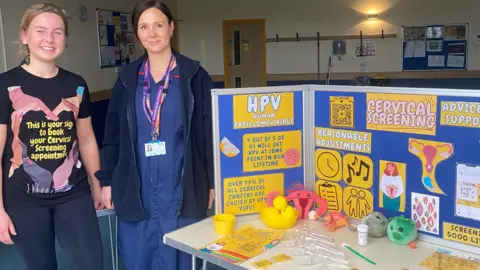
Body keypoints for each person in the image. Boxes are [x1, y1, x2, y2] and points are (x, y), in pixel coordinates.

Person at [95, 1, 215, 269]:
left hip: (182, 184)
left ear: (171, 28)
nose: (152, 33)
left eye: (159, 25)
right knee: (141, 254)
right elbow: (112, 134)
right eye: (144, 27)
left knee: (184, 254)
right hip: (137, 186)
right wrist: (107, 180)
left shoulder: (194, 76)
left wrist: (211, 181)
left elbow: (209, 133)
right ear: (137, 34)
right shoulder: (127, 79)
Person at [0, 3, 104, 270]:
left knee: (91, 264)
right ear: (24, 35)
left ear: (65, 39)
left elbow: (87, 139)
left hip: (73, 193)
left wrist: (98, 184)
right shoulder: (5, 85)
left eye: (57, 32)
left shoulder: (76, 84)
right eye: (40, 31)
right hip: (23, 200)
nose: (49, 38)